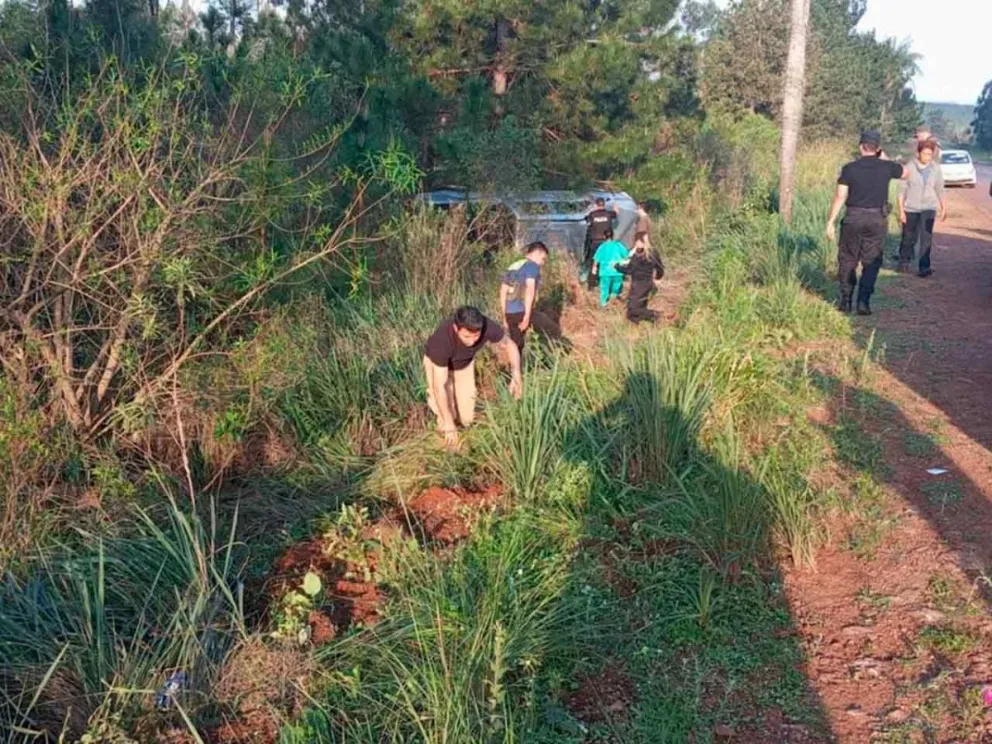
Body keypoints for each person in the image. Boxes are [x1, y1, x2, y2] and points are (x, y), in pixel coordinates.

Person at [826, 130, 909, 316]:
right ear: (878, 148)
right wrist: (885, 158)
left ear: (860, 147)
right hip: (876, 219)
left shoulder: (849, 169)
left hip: (853, 218)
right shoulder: (887, 167)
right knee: (871, 261)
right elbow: (906, 173)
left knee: (847, 259)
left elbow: (840, 196)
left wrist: (830, 221)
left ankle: (846, 300)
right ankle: (863, 302)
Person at [423, 306, 522, 449]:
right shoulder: (441, 341)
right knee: (447, 415)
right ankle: (447, 445)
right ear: (456, 329)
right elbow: (440, 387)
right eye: (466, 337)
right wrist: (449, 424)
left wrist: (516, 375)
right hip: (439, 367)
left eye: (476, 336)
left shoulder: (486, 326)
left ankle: (460, 432)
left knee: (467, 418)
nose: (472, 341)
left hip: (464, 366)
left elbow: (510, 345)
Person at [897, 138, 946, 278]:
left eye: (930, 154)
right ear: (918, 153)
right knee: (908, 236)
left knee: (926, 238)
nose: (927, 157)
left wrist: (943, 207)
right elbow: (901, 190)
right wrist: (901, 211)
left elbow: (940, 188)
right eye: (925, 154)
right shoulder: (909, 167)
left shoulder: (936, 168)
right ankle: (903, 262)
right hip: (911, 207)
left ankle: (924, 266)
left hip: (929, 207)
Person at [499, 241, 549, 352]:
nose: (543, 263)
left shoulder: (513, 266)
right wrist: (527, 316)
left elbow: (503, 292)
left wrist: (504, 317)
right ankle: (551, 357)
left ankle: (517, 363)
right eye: (543, 259)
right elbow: (530, 290)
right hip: (521, 311)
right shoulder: (532, 266)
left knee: (517, 345)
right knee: (551, 330)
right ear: (537, 253)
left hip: (509, 313)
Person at [615, 235, 664, 323]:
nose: (636, 244)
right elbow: (660, 267)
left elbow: (629, 270)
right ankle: (645, 325)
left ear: (642, 242)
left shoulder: (638, 255)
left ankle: (655, 315)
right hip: (647, 284)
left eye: (637, 242)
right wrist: (658, 278)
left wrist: (617, 267)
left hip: (639, 285)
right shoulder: (653, 253)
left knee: (632, 310)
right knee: (636, 311)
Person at [583, 197, 617, 290]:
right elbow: (616, 213)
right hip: (606, 242)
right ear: (604, 205)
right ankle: (606, 284)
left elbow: (586, 219)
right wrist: (615, 204)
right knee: (607, 262)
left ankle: (591, 285)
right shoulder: (609, 214)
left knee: (594, 263)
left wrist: (591, 209)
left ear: (596, 205)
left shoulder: (592, 215)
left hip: (595, 242)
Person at [592, 229, 629, 307]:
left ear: (604, 236)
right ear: (613, 236)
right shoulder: (618, 245)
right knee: (616, 288)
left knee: (604, 288)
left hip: (605, 271)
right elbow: (626, 256)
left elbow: (596, 259)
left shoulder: (602, 247)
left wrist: (594, 267)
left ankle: (603, 304)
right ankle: (613, 300)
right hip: (617, 271)